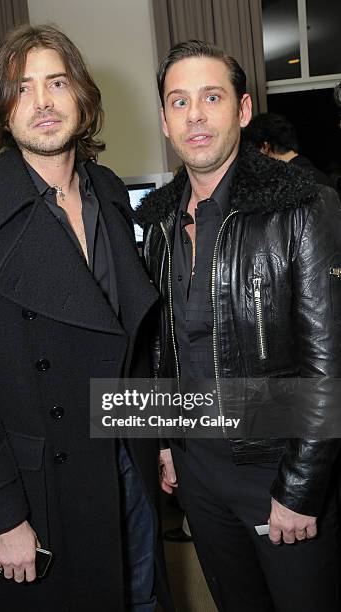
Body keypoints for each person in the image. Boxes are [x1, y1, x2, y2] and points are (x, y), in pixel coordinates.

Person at [0, 25, 173, 612]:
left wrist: (160, 437)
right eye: (22, 87)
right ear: (2, 109)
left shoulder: (108, 190)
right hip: (39, 486)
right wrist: (2, 515)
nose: (41, 101)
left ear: (82, 99)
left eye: (56, 82)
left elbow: (128, 345)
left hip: (125, 461)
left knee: (140, 596)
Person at [137, 40, 341, 611]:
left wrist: (301, 489)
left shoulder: (303, 205)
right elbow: (163, 349)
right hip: (199, 478)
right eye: (179, 101)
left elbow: (328, 364)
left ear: (243, 110)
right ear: (164, 118)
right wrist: (168, 442)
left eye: (212, 97)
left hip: (277, 469)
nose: (195, 114)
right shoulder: (157, 223)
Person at [243, 112, 333, 186]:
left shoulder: (289, 184)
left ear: (265, 147)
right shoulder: (318, 176)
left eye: (254, 152)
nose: (255, 160)